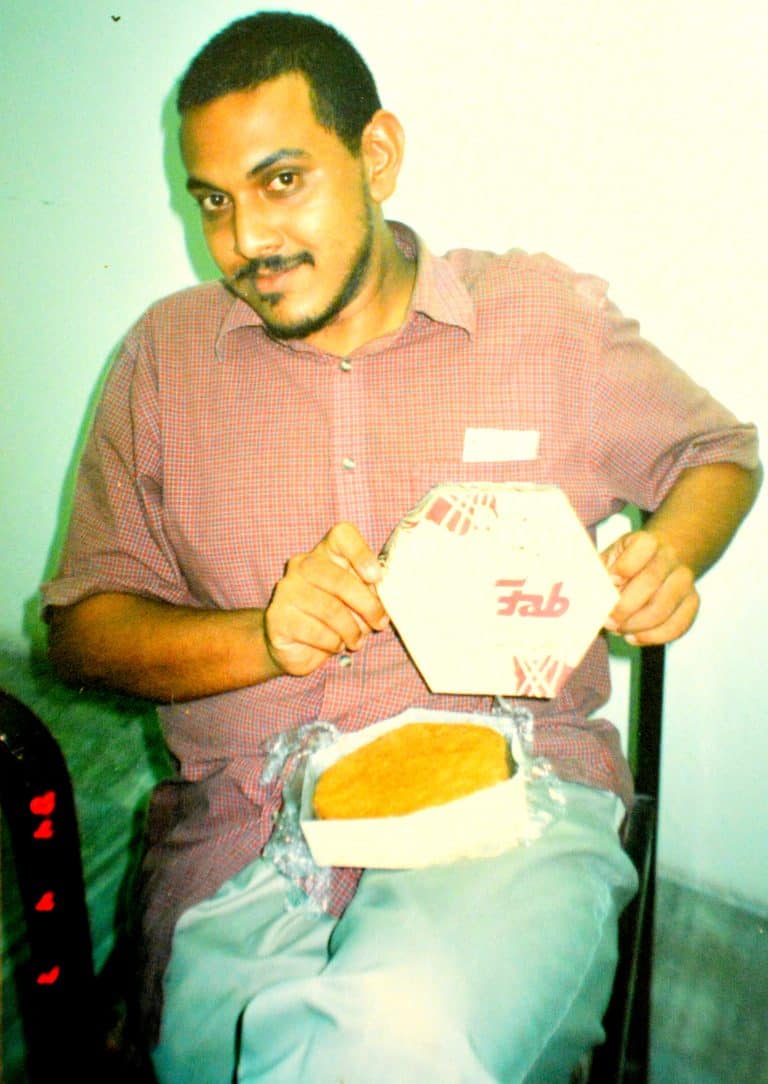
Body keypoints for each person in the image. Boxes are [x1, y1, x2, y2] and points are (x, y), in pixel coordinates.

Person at [42, 11, 760, 1083]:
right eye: (214, 201)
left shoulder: (540, 318)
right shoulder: (162, 360)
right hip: (246, 839)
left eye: (281, 181)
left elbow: (719, 450)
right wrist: (262, 640)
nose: (243, 242)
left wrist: (673, 553)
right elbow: (81, 632)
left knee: (391, 1037)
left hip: (507, 804)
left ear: (376, 155)